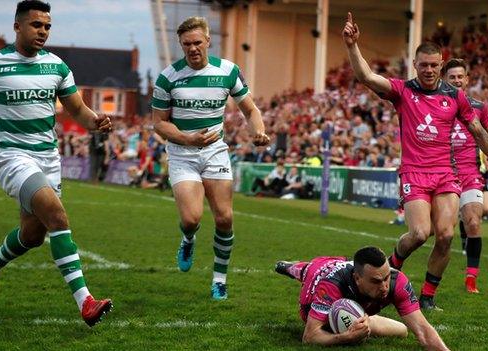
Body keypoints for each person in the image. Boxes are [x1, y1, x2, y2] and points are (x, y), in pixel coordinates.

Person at [343, 12, 488, 310]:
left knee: (447, 234)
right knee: (418, 234)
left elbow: (479, 134)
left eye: (434, 65)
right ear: (414, 65)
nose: (428, 70)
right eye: (423, 65)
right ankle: (392, 264)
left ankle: (426, 297)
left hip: (445, 173)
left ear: (441, 64)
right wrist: (352, 45)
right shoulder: (403, 90)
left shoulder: (455, 97)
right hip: (414, 171)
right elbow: (365, 76)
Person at [0, 0, 112, 326]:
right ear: (18, 26)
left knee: (33, 235)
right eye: (37, 25)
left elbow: (77, 109)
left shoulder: (57, 67)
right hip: (12, 157)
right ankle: (86, 301)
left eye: (48, 26)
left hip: (49, 158)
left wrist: (96, 121)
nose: (43, 32)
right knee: (57, 215)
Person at [151, 16, 269, 300]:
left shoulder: (228, 71)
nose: (192, 49)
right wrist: (187, 138)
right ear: (181, 45)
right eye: (186, 44)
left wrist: (259, 132)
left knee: (225, 218)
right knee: (191, 219)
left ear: (208, 41)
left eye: (197, 43)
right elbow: (159, 123)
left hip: (214, 151)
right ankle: (188, 238)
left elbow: (251, 111)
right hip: (182, 153)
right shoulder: (168, 77)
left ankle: (219, 280)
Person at [275, 247, 449, 350]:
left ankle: (361, 318)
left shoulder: (397, 282)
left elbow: (424, 331)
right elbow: (309, 337)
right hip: (320, 277)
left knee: (402, 331)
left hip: (354, 301)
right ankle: (292, 267)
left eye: (386, 277)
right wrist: (346, 338)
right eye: (376, 281)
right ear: (357, 278)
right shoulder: (331, 285)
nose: (384, 287)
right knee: (309, 270)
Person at [443, 58, 488, 293]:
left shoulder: (478, 106)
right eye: (452, 77)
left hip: (471, 172)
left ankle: (470, 280)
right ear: (444, 80)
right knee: (441, 232)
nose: (456, 80)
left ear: (466, 79)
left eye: (460, 77)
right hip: (444, 171)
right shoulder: (436, 103)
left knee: (475, 221)